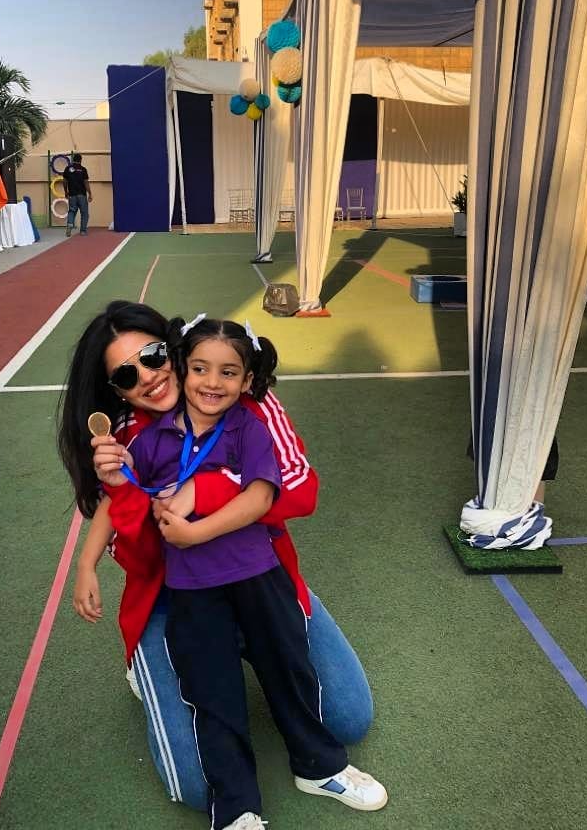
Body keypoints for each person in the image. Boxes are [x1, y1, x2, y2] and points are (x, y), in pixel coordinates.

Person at [57, 301, 374, 814]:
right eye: (125, 373)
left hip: (256, 571)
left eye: (156, 356)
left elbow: (299, 492)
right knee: (195, 785)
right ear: (114, 388)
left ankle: (277, 643)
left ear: (176, 349)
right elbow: (139, 553)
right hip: (176, 593)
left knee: (348, 718)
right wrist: (101, 540)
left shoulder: (250, 404)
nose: (150, 377)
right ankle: (154, 663)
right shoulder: (126, 439)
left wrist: (207, 491)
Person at [62, 152, 92, 236]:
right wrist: (90, 193)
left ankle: (70, 225)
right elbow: (86, 182)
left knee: (72, 211)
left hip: (72, 195)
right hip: (82, 195)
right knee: (84, 213)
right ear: (80, 160)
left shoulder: (67, 169)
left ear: (73, 160)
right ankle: (83, 231)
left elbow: (64, 181)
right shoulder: (83, 169)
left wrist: (66, 191)